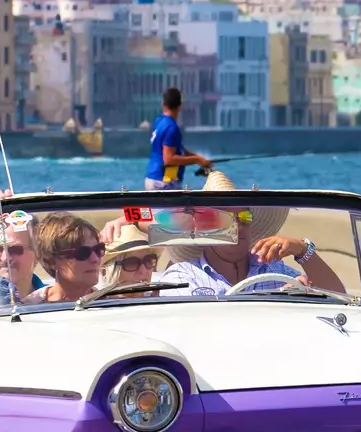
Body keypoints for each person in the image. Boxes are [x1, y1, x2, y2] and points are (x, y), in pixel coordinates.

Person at [155, 172, 347, 297]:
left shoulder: (273, 269)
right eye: (226, 218)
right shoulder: (183, 277)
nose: (238, 224)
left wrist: (303, 250)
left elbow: (339, 296)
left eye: (245, 216)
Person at [21, 213, 105, 304]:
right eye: (83, 253)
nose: (95, 259)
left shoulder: (112, 304)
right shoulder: (28, 308)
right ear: (51, 261)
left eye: (98, 249)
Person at [146, 87, 212, 192]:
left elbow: (177, 149)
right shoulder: (171, 127)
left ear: (163, 103)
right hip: (163, 182)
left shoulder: (159, 121)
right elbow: (169, 159)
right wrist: (196, 160)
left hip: (153, 178)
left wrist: (199, 158)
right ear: (180, 106)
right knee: (184, 208)